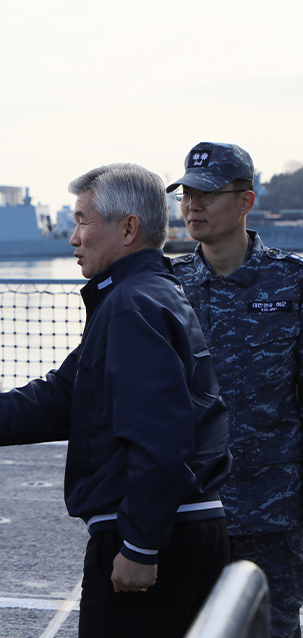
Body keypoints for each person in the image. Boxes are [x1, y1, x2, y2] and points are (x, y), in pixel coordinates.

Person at [0, 163, 232, 638]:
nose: (73, 237)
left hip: (154, 533)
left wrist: (141, 545)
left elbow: (161, 435)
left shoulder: (131, 305)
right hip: (183, 525)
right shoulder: (147, 294)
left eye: (83, 221)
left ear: (128, 228)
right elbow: (67, 393)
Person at [169, 142, 303, 638]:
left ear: (245, 202)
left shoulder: (292, 285)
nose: (191, 206)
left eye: (206, 194)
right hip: (186, 510)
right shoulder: (167, 287)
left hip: (272, 511)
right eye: (185, 194)